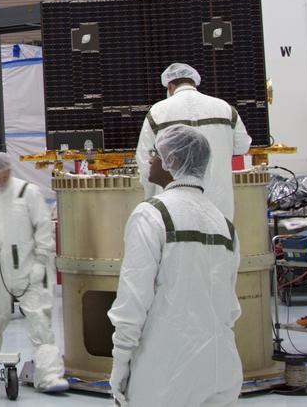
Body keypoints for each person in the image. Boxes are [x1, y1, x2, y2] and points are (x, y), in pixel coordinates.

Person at [109, 125, 242, 407]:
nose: (150, 159)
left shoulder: (152, 214)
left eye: (155, 153)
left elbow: (133, 300)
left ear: (173, 162)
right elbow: (229, 306)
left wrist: (120, 362)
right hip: (222, 368)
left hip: (167, 369)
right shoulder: (224, 224)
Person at [0, 152, 68, 393]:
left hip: (28, 267)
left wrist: (42, 259)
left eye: (4, 174)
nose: (0, 179)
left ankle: (48, 375)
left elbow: (42, 225)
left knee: (40, 320)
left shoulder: (26, 192)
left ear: (10, 170)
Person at [135, 63, 251, 219]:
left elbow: (145, 160)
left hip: (173, 205)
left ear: (169, 86)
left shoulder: (158, 112)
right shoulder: (225, 109)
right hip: (218, 202)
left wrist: (149, 196)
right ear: (194, 82)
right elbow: (243, 146)